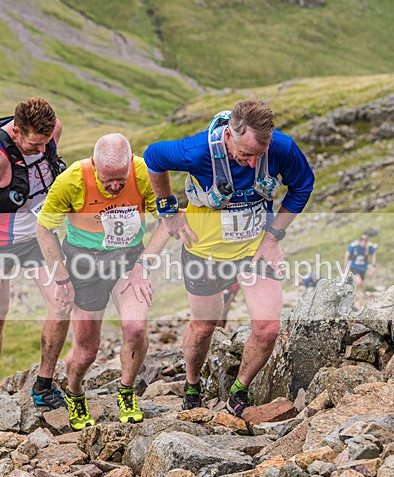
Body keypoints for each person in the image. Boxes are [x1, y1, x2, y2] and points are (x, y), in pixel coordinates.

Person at [143, 96, 315, 417]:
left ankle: (239, 389)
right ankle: (192, 385)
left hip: (255, 251)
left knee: (267, 329)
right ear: (229, 135)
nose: (251, 163)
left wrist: (273, 237)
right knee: (203, 326)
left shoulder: (281, 148)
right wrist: (168, 211)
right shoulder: (197, 151)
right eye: (246, 154)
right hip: (203, 252)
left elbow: (303, 186)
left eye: (259, 155)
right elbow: (153, 157)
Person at [36, 133, 169, 430]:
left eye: (121, 179)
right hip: (84, 265)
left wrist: (143, 264)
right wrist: (61, 278)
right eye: (108, 180)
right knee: (86, 350)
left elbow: (167, 221)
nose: (115, 187)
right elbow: (44, 230)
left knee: (135, 328)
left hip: (127, 260)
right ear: (94, 165)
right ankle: (75, 392)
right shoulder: (71, 181)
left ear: (130, 163)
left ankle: (126, 392)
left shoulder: (144, 172)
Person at [0, 97, 70, 408]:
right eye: (34, 145)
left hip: (39, 237)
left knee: (62, 304)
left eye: (45, 143)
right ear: (17, 131)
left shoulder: (52, 131)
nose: (41, 150)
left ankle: (44, 385)